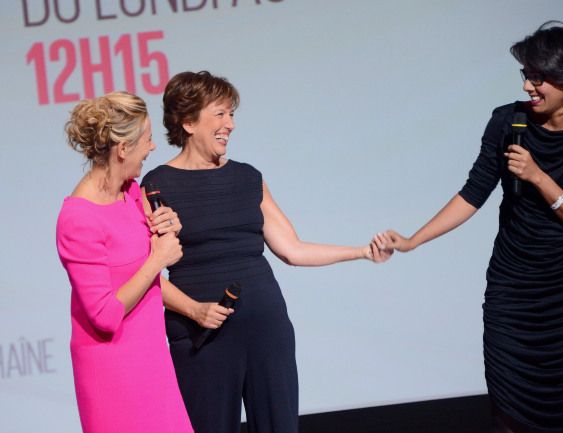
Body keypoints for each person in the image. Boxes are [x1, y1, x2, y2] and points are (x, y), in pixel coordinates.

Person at [141, 70, 393, 433]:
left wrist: (361, 252)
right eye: (220, 113)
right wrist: (194, 310)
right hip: (200, 332)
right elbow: (146, 270)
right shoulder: (156, 186)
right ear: (188, 121)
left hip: (265, 324)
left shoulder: (248, 178)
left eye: (232, 114)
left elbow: (292, 249)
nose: (230, 124)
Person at [378, 22, 563, 433]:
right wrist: (414, 240)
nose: (529, 86)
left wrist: (540, 178)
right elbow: (473, 193)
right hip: (512, 291)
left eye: (539, 77)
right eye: (526, 75)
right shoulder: (508, 122)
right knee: (508, 411)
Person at [56, 92, 194, 433]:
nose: (151, 148)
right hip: (113, 369)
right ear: (122, 149)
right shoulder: (77, 219)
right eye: (147, 140)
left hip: (151, 357)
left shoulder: (131, 191)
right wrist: (157, 260)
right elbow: (104, 315)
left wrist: (167, 228)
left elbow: (148, 256)